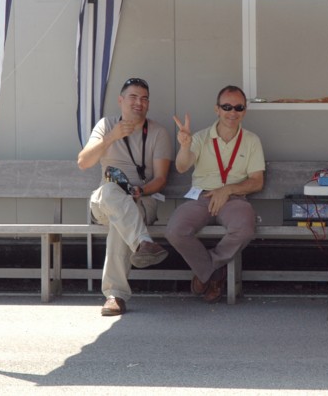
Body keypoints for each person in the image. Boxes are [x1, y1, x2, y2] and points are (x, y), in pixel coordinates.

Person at [77, 78, 173, 316]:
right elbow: (84, 162)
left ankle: (115, 296)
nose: (139, 102)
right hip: (105, 202)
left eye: (144, 98)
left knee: (122, 221)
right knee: (111, 191)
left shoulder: (158, 132)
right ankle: (143, 242)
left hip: (142, 200)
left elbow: (161, 178)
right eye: (133, 97)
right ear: (121, 100)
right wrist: (111, 137)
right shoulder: (105, 125)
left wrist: (143, 190)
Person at [167, 85, 265, 303]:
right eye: (227, 107)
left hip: (234, 198)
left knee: (244, 229)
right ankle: (214, 273)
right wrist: (185, 146)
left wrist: (227, 189)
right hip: (201, 197)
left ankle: (206, 268)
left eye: (238, 107)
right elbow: (182, 167)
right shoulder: (201, 137)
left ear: (245, 111)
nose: (232, 112)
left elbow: (257, 181)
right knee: (175, 231)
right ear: (217, 109)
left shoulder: (251, 140)